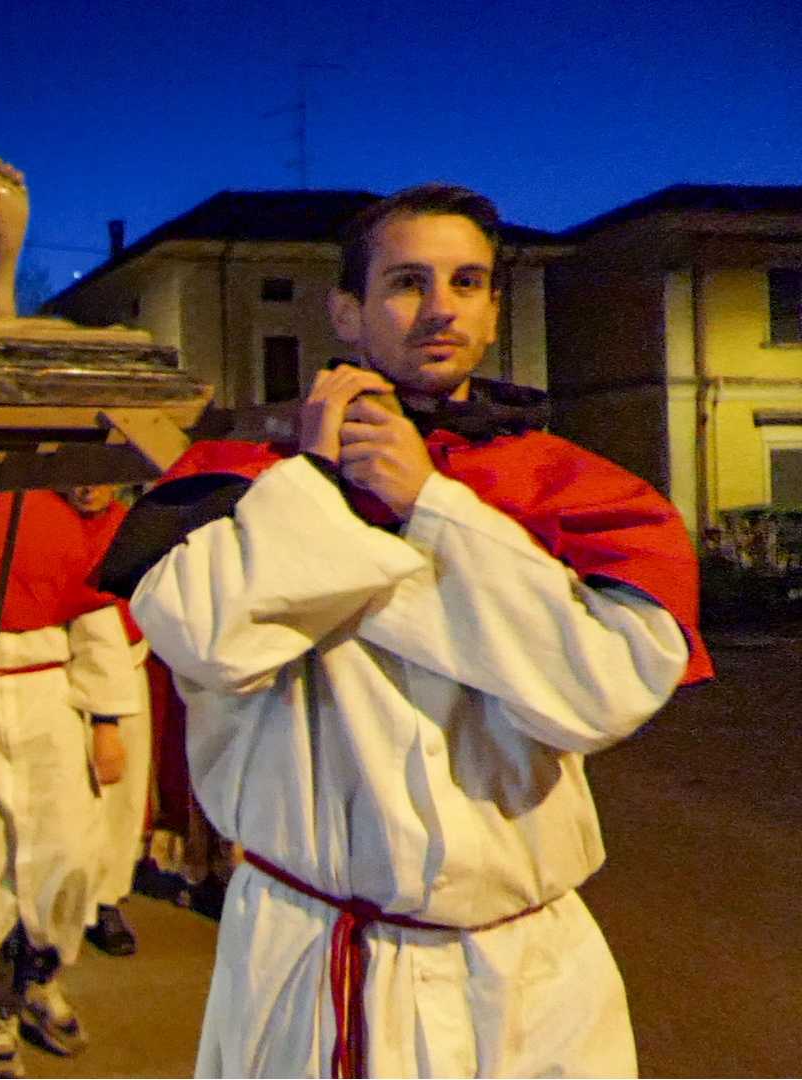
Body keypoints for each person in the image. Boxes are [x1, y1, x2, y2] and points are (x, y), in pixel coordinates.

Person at [95, 183, 712, 1078]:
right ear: (346, 311)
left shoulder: (572, 489)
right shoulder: (242, 482)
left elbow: (604, 690)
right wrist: (317, 481)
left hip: (527, 976)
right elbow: (208, 639)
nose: (439, 309)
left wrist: (426, 505)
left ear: (495, 310)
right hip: (317, 962)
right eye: (406, 283)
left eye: (467, 283)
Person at [0, 488, 143, 1078]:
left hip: (48, 695)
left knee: (63, 853)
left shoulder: (52, 515)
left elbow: (93, 615)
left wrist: (107, 722)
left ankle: (40, 980)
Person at [65, 485, 149, 958]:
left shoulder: (135, 525)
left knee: (120, 793)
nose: (87, 488)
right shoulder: (50, 520)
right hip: (66, 668)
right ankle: (66, 897)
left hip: (128, 661)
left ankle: (107, 896)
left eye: (98, 478)